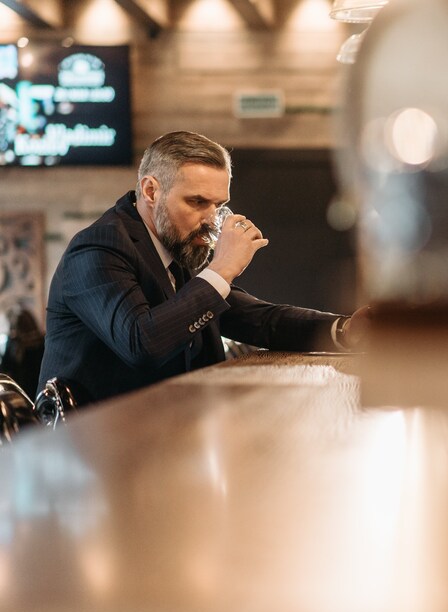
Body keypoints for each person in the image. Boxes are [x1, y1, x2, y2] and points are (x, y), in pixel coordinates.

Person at [38, 130, 370, 406]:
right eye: (197, 202)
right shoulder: (98, 248)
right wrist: (222, 268)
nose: (211, 219)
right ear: (151, 190)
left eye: (218, 205)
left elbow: (257, 319)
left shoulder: (174, 247)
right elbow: (142, 344)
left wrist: (344, 330)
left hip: (168, 427)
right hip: (91, 447)